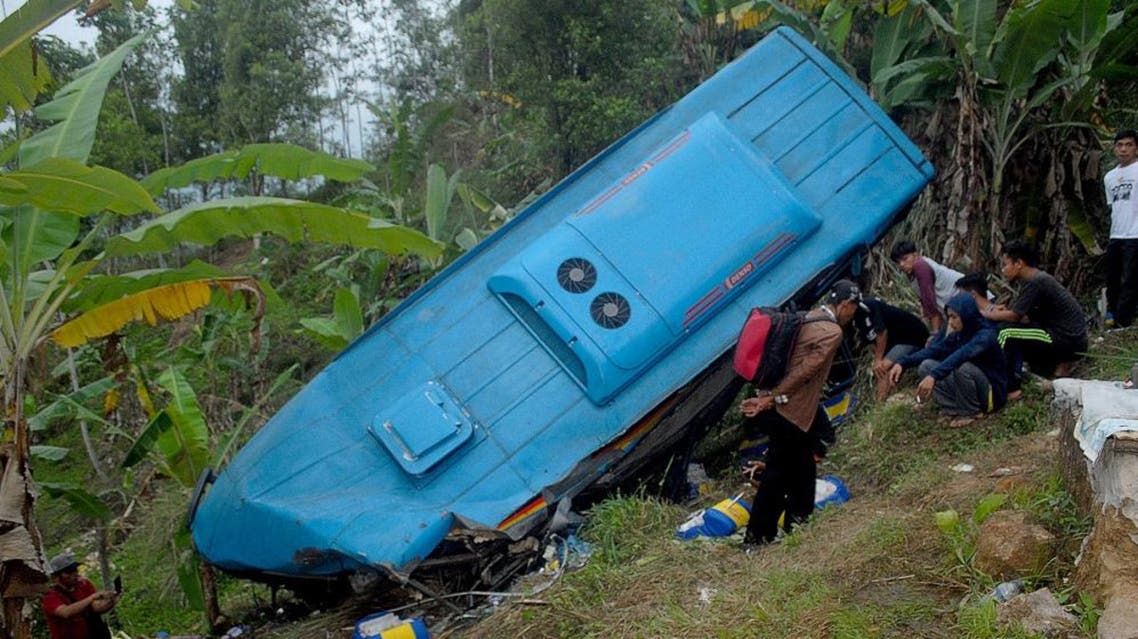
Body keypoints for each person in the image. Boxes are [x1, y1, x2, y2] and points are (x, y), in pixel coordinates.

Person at [739, 279, 859, 547]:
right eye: (853, 308)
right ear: (845, 304)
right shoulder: (831, 332)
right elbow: (806, 370)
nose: (854, 314)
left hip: (789, 409)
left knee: (803, 468)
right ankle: (756, 539)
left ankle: (800, 526)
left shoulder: (807, 317)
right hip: (789, 411)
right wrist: (773, 398)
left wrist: (769, 396)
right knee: (777, 475)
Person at [984, 239, 1088, 399]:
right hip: (1064, 336)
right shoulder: (1033, 280)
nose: (1003, 270)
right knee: (1010, 329)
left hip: (1065, 338)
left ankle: (1008, 387)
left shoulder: (1036, 282)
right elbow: (1023, 316)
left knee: (1005, 333)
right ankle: (1034, 369)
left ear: (1019, 263)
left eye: (1005, 265)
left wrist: (988, 313)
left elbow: (1015, 315)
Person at [888, 293, 1008, 427]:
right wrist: (902, 363)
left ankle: (971, 412)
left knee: (961, 366)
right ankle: (952, 409)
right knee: (926, 366)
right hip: (972, 386)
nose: (950, 322)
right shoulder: (959, 335)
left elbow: (961, 355)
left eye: (954, 317)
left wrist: (934, 376)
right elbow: (933, 351)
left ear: (967, 315)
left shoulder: (985, 335)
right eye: (949, 317)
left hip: (992, 394)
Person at [853, 296, 930, 400]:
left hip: (911, 337)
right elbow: (873, 341)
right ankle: (886, 397)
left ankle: (879, 405)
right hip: (895, 342)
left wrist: (878, 359)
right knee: (881, 368)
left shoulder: (870, 306)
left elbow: (882, 332)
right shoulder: (856, 320)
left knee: (882, 368)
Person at [890, 240, 965, 334]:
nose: (901, 265)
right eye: (898, 262)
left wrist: (935, 333)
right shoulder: (912, 272)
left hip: (968, 300)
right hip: (955, 308)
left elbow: (929, 302)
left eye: (905, 259)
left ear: (916, 255)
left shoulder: (920, 265)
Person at [1104, 129, 1138, 328]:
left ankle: (1123, 321)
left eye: (1129, 145)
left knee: (1131, 278)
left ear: (1136, 148)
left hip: (1135, 234)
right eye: (1120, 145)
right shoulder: (1109, 177)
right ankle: (1111, 314)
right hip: (1116, 234)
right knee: (1112, 277)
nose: (1123, 149)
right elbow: (1114, 205)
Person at [42, 553, 118, 639]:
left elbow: (95, 608)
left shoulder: (83, 585)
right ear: (57, 576)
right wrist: (92, 597)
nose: (74, 574)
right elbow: (65, 612)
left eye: (75, 569)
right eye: (69, 571)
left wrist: (112, 600)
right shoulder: (50, 596)